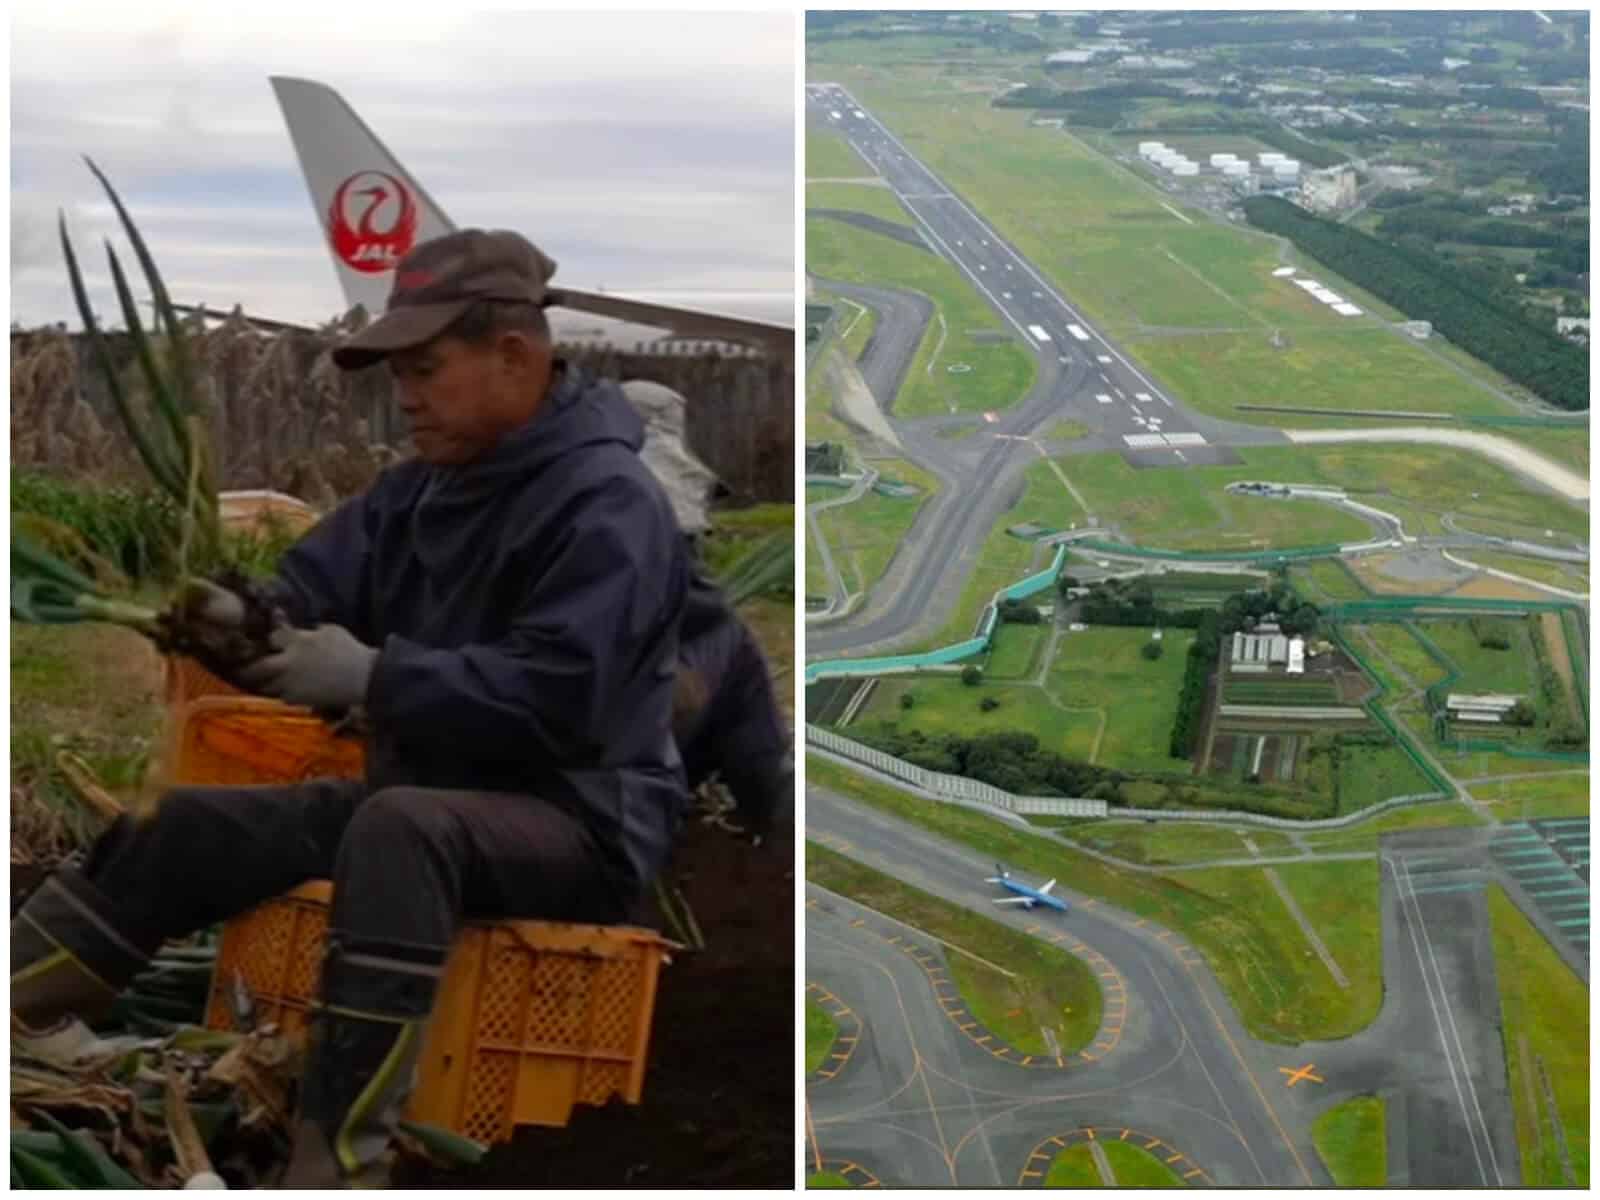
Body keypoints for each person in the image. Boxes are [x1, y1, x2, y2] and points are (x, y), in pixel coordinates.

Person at [10, 229, 696, 1187]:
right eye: (397, 373)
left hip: (580, 823)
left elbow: (565, 702)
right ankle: (18, 1017)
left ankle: (337, 1162)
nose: (405, 395)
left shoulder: (609, 504)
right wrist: (234, 617)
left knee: (399, 826)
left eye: (425, 368)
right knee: (185, 825)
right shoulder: (418, 493)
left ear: (514, 355)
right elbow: (308, 590)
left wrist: (376, 679)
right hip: (429, 797)